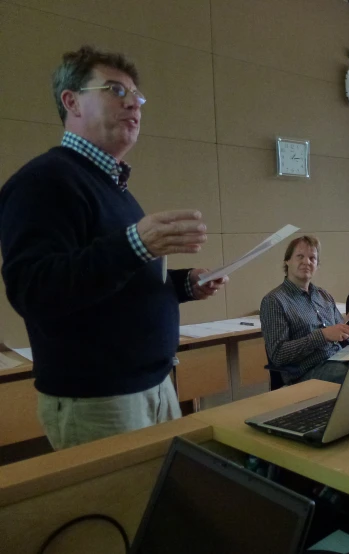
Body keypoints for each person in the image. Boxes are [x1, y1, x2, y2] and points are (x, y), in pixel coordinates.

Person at [0, 46, 228, 450]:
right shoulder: (44, 181)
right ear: (71, 101)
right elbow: (33, 289)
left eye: (137, 97)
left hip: (154, 386)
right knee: (122, 512)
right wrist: (135, 244)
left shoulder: (114, 189)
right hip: (99, 400)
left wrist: (182, 286)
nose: (133, 105)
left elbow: (117, 280)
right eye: (115, 91)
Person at [261, 235, 349, 385]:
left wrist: (348, 329)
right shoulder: (274, 300)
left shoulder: (323, 295)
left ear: (317, 264)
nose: (306, 262)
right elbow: (278, 354)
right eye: (300, 256)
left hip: (338, 359)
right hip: (305, 373)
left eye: (312, 258)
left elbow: (343, 340)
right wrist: (322, 336)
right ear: (287, 261)